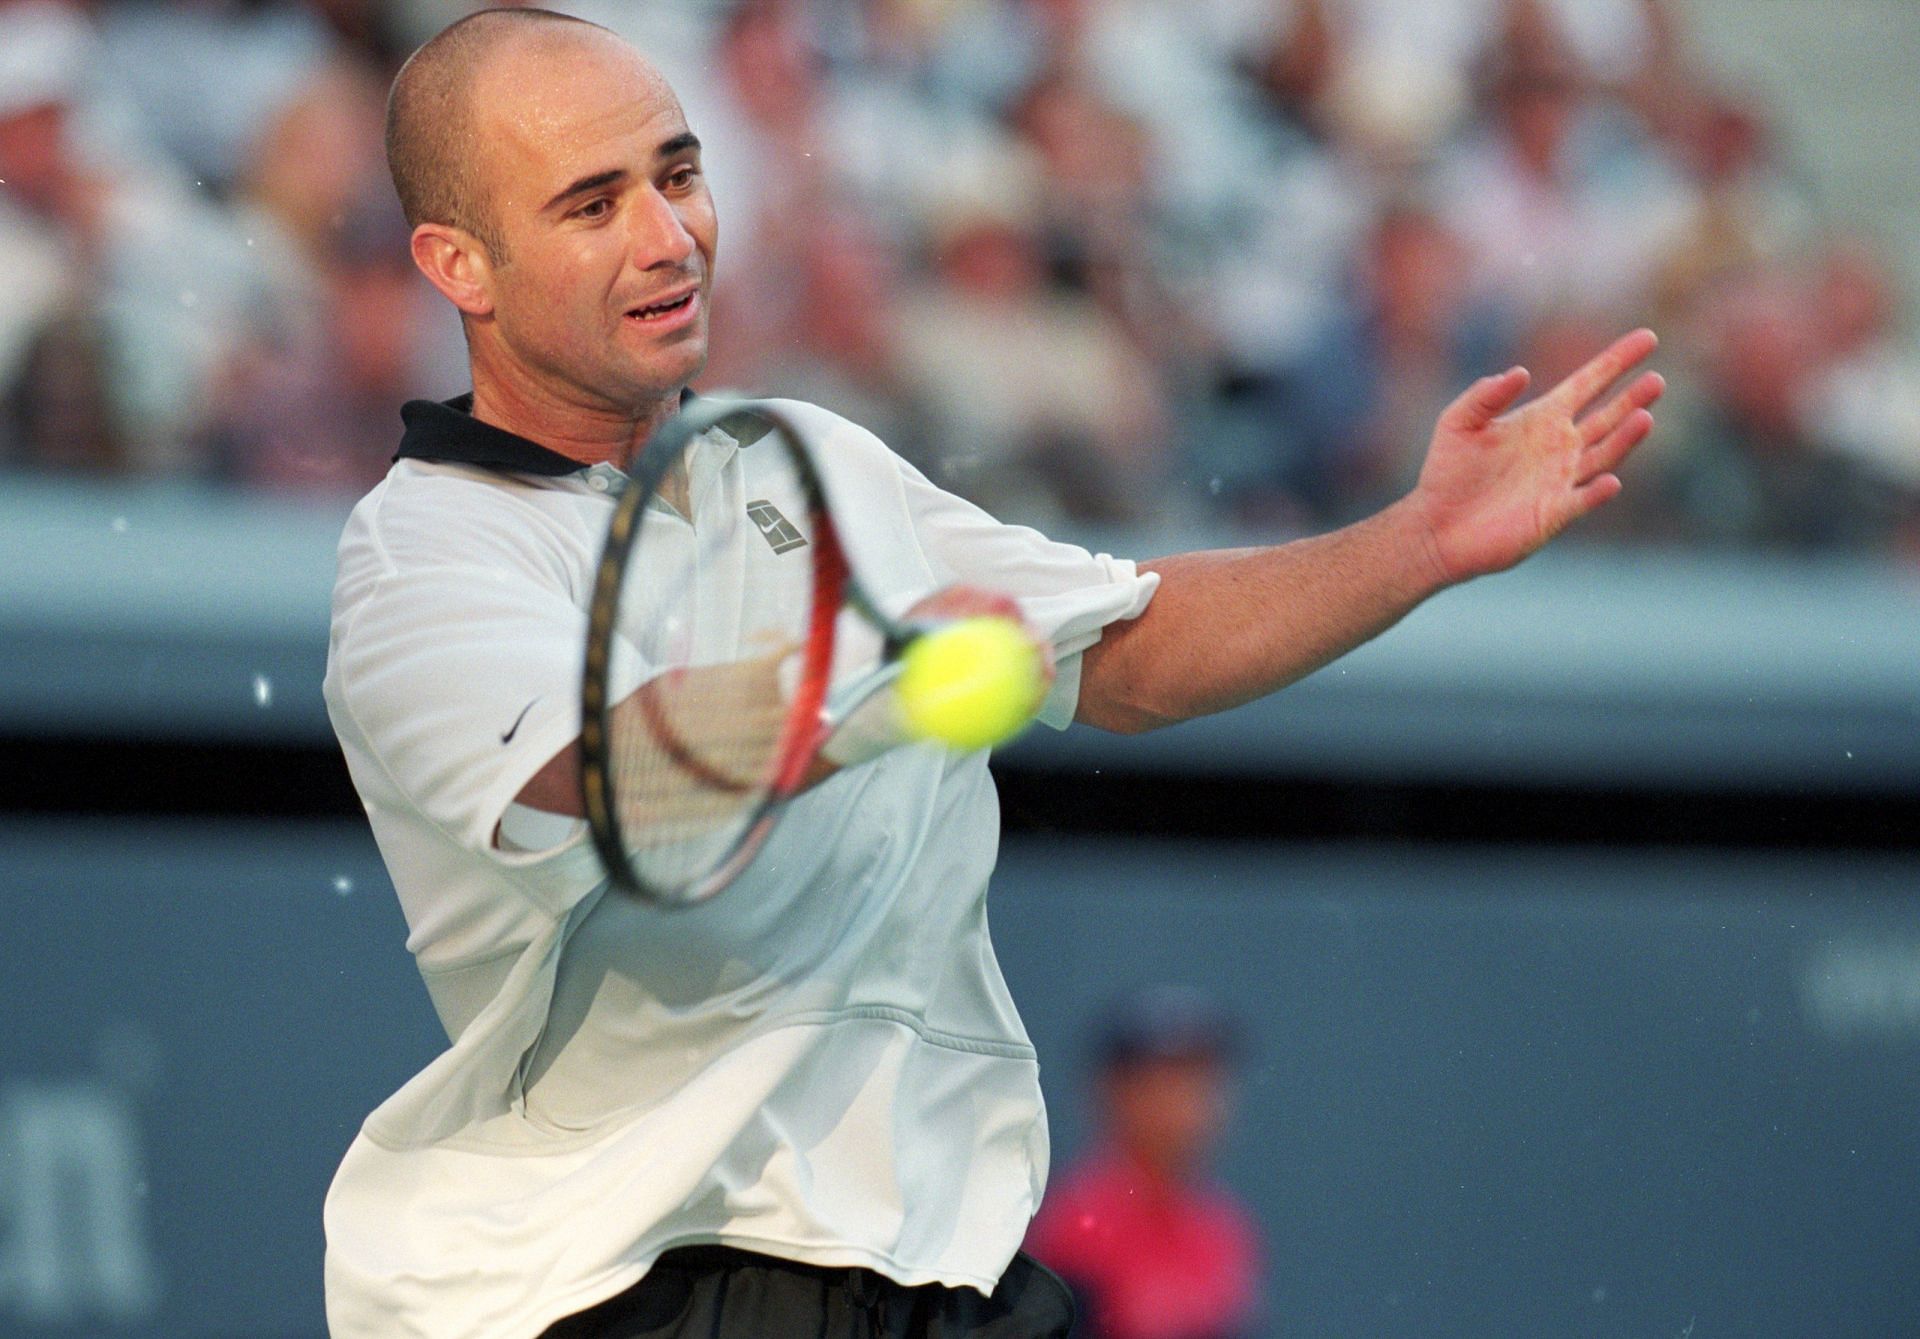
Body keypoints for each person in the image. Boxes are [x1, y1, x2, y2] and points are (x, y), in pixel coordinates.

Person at [320, 9, 1662, 1339]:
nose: (669, 236)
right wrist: (885, 680)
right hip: (635, 1275)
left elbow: (1127, 647)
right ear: (461, 264)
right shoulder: (423, 550)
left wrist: (1414, 540)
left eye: (677, 175)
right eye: (591, 203)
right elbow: (609, 765)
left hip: (938, 1265)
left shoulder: (807, 455)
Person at [1025, 987, 1262, 1339]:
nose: (1188, 1105)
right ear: (1113, 1093)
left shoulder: (1225, 1230)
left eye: (1199, 1081)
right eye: (1164, 1083)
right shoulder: (1072, 1225)